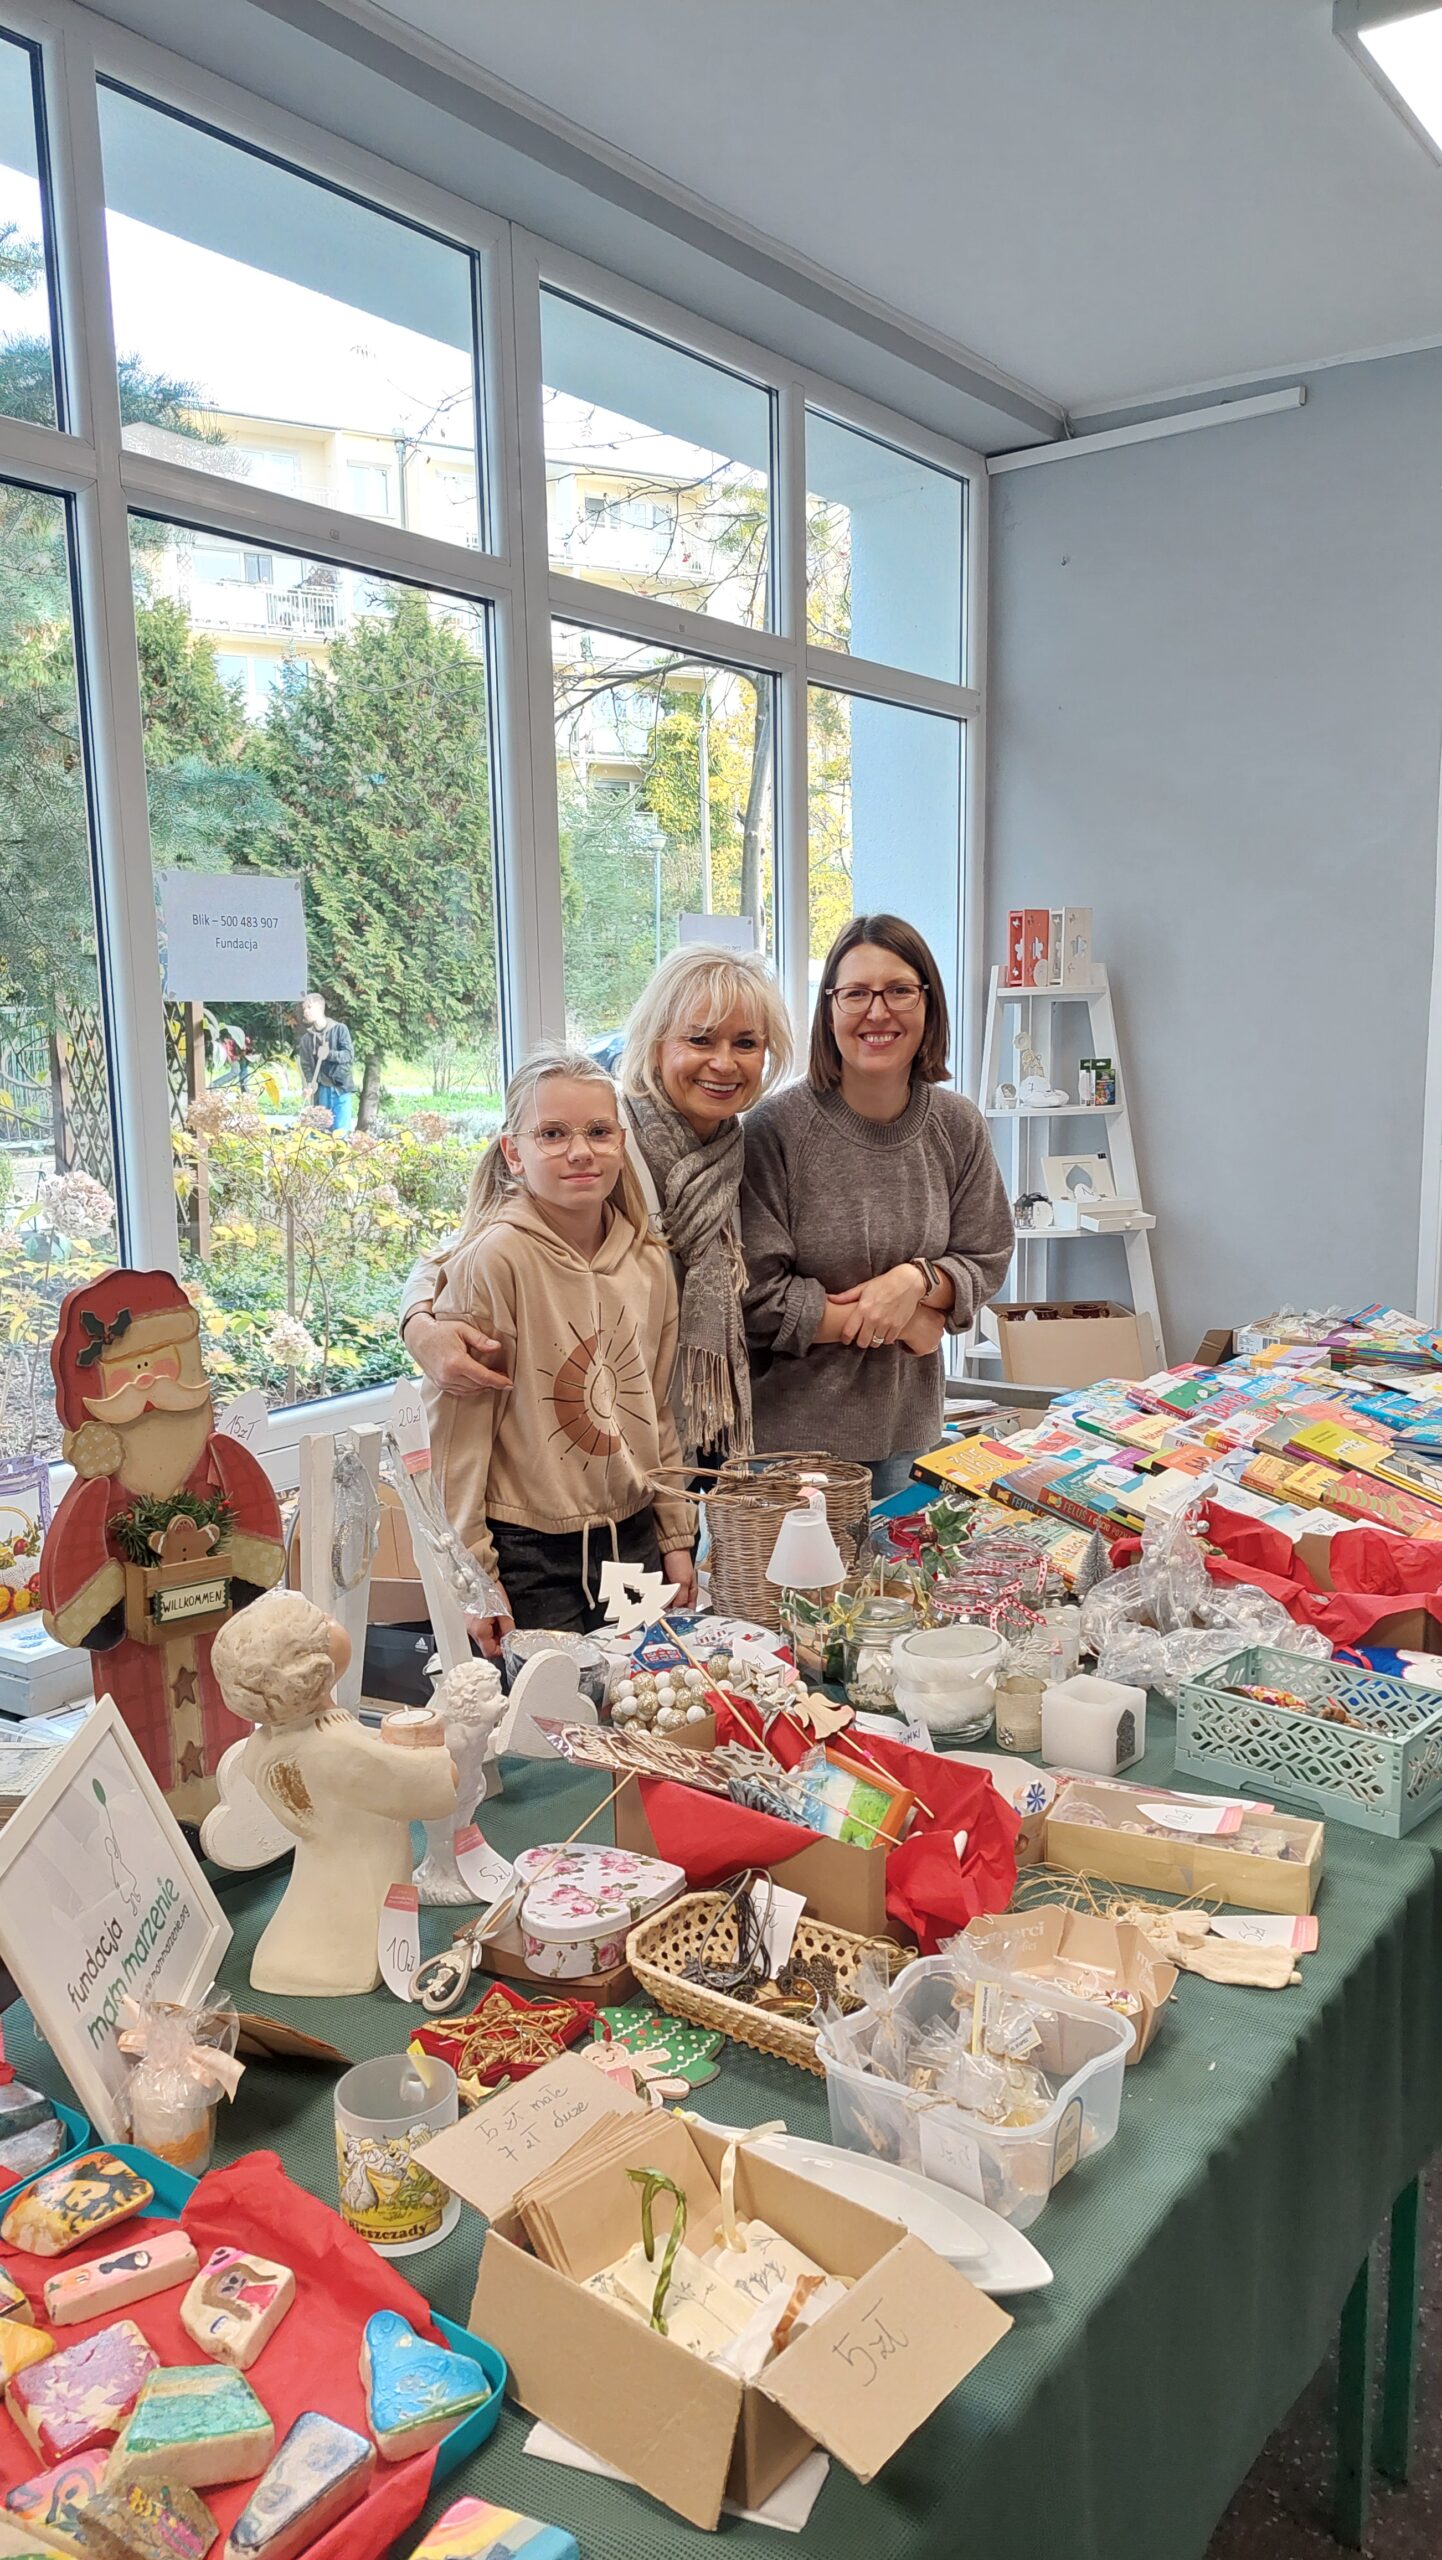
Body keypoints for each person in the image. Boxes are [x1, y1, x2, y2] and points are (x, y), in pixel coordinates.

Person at [399, 944, 793, 1458]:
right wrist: (421, 1328)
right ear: (655, 1044)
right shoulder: (598, 1138)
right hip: (595, 1439)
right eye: (699, 1039)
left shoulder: (737, 1149)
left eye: (746, 1043)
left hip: (703, 1425)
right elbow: (464, 1248)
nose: (723, 1062)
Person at [418, 1045, 697, 1651]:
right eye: (552, 1134)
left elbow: (657, 1410)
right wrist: (474, 1578)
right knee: (553, 1710)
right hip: (530, 1555)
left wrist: (676, 1536)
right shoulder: (495, 1261)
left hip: (635, 1537)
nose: (580, 1151)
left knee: (642, 1698)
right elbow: (458, 1443)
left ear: (621, 1143)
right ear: (513, 1153)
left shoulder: (650, 1262)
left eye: (598, 1131)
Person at [741, 913, 1014, 1498]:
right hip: (790, 1453)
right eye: (856, 993)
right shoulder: (774, 1129)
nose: (878, 1011)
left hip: (911, 1436)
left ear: (928, 1004)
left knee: (905, 1564)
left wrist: (914, 1282)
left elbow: (987, 1254)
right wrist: (906, 1322)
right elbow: (754, 1297)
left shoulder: (957, 1124)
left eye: (899, 991)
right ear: (829, 1009)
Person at [296, 991, 357, 1133]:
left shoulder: (340, 1029)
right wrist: (310, 1084)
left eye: (309, 1007)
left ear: (320, 1008)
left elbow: (348, 1055)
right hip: (322, 1090)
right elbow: (306, 1066)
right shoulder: (306, 1039)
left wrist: (329, 1054)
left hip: (340, 1088)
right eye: (304, 1008)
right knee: (321, 1132)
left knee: (341, 1133)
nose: (305, 1011)